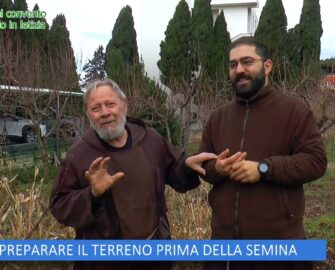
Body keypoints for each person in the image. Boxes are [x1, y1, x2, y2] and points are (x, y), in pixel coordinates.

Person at [50, 78, 217, 270]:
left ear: (124, 105)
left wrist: (187, 165)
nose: (105, 113)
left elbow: (174, 170)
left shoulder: (150, 139)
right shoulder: (78, 155)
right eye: (96, 108)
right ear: (88, 114)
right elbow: (59, 205)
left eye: (110, 104)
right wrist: (92, 194)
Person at [199, 37, 327, 270]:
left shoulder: (294, 112)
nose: (239, 70)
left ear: (267, 66)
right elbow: (204, 166)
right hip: (224, 248)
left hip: (279, 247)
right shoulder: (218, 117)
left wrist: (264, 169)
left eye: (247, 62)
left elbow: (316, 161)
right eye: (233, 64)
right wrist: (217, 168)